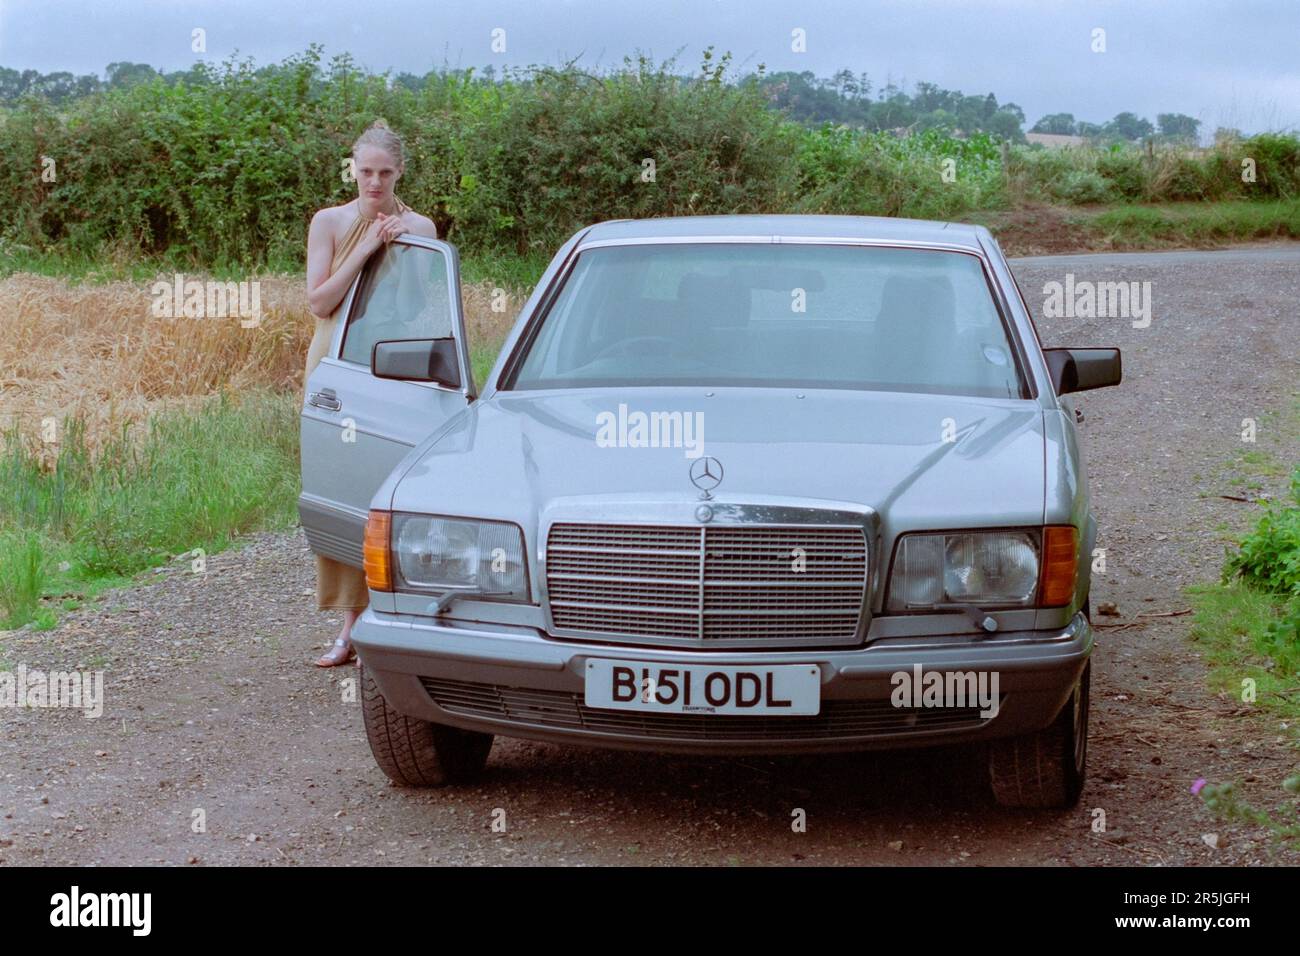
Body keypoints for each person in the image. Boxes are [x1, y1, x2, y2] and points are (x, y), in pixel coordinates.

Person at [304, 119, 438, 666]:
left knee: (388, 495)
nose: (375, 182)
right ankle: (348, 625)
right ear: (352, 170)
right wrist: (364, 251)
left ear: (400, 171)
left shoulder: (421, 226)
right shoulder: (329, 222)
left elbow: (409, 310)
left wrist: (399, 244)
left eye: (385, 172)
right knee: (340, 489)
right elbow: (320, 302)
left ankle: (393, 619)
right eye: (366, 172)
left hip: (391, 368)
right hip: (334, 365)